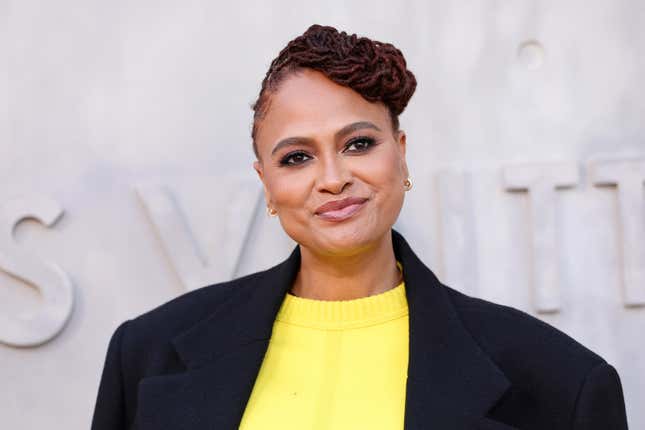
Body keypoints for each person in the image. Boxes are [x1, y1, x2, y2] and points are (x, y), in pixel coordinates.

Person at [91, 25, 628, 430]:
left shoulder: (561, 381)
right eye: (297, 157)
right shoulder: (145, 354)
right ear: (266, 183)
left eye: (358, 144)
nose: (333, 178)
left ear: (400, 153)